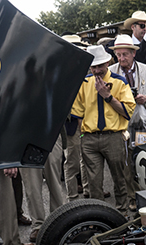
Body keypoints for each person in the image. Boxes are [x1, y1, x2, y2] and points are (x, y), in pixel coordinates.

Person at [71, 45, 136, 214]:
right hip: (90, 139)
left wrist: (107, 97)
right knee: (94, 183)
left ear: (108, 62)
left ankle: (121, 213)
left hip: (113, 137)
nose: (97, 70)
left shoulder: (119, 82)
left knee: (119, 178)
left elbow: (128, 111)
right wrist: (84, 135)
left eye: (100, 66)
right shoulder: (84, 83)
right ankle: (100, 216)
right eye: (94, 66)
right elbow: (78, 112)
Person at [109, 34, 146, 210]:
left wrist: (145, 98)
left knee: (143, 158)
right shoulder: (111, 72)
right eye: (118, 55)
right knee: (126, 162)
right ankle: (132, 197)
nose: (122, 58)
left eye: (125, 54)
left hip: (143, 124)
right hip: (122, 125)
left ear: (133, 53)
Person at [20, 135, 67, 242]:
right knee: (32, 188)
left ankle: (58, 220)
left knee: (55, 183)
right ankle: (38, 225)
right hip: (26, 140)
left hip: (51, 136)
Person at [61, 34, 90, 202]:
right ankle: (72, 196)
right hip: (71, 123)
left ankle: (87, 189)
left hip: (87, 121)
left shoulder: (85, 68)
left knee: (87, 157)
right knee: (71, 161)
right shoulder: (62, 71)